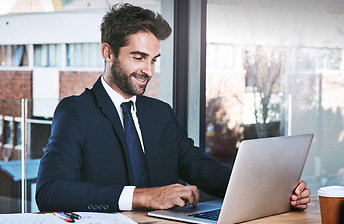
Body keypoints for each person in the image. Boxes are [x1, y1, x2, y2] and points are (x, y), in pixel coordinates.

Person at [35, 3, 310, 213]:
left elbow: (198, 167)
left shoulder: (159, 113)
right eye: (139, 57)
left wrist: (270, 189)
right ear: (108, 53)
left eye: (154, 59)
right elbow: (50, 191)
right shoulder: (76, 112)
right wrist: (144, 196)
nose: (148, 70)